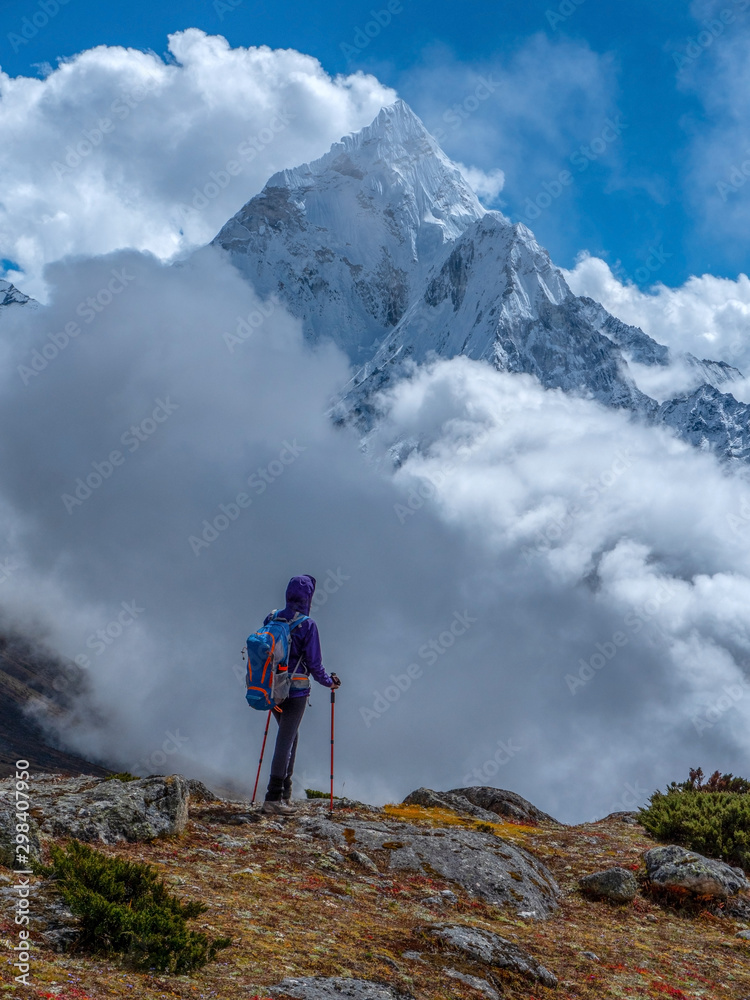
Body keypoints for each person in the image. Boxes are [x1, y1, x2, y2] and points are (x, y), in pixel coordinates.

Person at [261, 574, 340, 815]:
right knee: (285, 740)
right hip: (295, 691)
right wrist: (330, 683)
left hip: (272, 689)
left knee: (290, 737)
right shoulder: (307, 624)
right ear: (308, 597)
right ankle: (273, 799)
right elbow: (315, 665)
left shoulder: (271, 617)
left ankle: (285, 794)